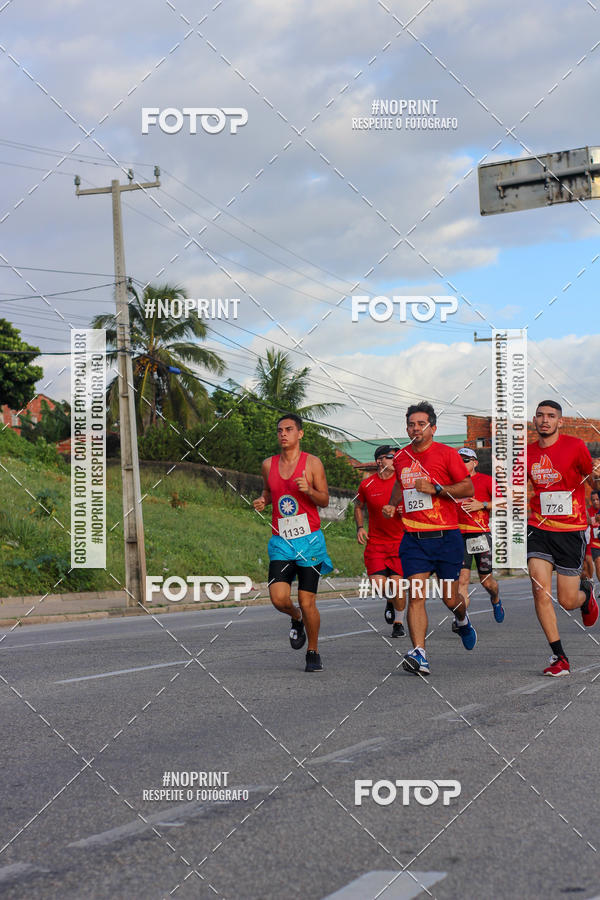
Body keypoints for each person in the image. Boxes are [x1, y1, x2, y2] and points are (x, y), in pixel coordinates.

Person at [382, 401, 475, 676]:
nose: (415, 428)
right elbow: (400, 484)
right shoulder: (400, 458)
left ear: (433, 428)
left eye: (421, 424)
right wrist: (391, 504)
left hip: (446, 537)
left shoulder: (446, 454)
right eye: (411, 424)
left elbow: (467, 487)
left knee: (450, 598)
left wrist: (437, 489)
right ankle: (420, 653)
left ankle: (461, 618)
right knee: (416, 596)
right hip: (414, 538)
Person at [253, 413, 332, 672]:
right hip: (281, 542)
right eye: (279, 430)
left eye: (288, 429)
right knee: (278, 599)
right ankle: (295, 617)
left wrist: (309, 491)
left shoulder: (313, 463)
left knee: (308, 601)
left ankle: (313, 651)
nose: (283, 434)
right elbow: (268, 490)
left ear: (300, 433)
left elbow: (324, 500)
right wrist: (264, 501)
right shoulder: (268, 464)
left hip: (309, 542)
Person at [527, 400, 599, 677]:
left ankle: (586, 594)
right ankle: (560, 657)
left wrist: (597, 477)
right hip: (539, 528)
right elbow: (521, 488)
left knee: (567, 601)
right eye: (541, 416)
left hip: (570, 530)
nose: (545, 420)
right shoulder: (527, 453)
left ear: (560, 421)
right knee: (538, 589)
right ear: (535, 420)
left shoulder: (575, 446)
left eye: (551, 416)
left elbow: (592, 483)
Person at [355, 445, 406, 638]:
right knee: (378, 585)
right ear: (379, 461)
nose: (395, 460)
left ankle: (399, 622)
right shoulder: (367, 485)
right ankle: (390, 601)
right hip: (376, 543)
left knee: (397, 584)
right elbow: (358, 506)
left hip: (400, 543)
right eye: (391, 457)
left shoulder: (402, 483)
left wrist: (404, 512)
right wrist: (360, 527)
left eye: (397, 457)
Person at [455, 447, 504, 629]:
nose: (462, 463)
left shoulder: (486, 480)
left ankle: (496, 598)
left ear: (475, 463)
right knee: (462, 580)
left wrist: (482, 505)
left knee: (486, 581)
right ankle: (462, 620)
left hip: (480, 534)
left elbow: (503, 503)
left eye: (466, 460)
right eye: (459, 460)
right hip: (458, 536)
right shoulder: (451, 482)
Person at [585, 490, 600, 582]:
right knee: (598, 564)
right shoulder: (589, 512)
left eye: (597, 499)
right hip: (595, 544)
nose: (595, 502)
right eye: (593, 500)